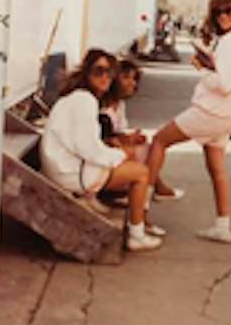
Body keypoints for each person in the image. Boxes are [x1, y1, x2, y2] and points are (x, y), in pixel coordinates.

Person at [146, 0, 231, 244]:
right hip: (227, 115)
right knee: (216, 168)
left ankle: (141, 212)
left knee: (159, 141)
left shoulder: (230, 42)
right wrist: (210, 63)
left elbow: (224, 84)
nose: (223, 16)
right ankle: (223, 226)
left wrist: (201, 69)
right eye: (218, 12)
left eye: (229, 11)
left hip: (210, 111)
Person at [40, 49, 161, 251]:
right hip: (70, 173)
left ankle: (94, 199)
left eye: (109, 73)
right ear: (87, 72)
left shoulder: (79, 97)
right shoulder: (84, 101)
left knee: (127, 156)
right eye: (99, 71)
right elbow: (88, 148)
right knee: (141, 173)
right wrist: (120, 156)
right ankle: (137, 235)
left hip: (64, 167)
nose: (105, 77)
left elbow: (85, 145)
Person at [100, 59, 184, 201]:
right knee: (146, 151)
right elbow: (105, 138)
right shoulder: (103, 109)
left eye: (134, 79)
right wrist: (125, 139)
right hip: (105, 156)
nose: (132, 83)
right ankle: (147, 190)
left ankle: (151, 188)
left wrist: (130, 137)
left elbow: (117, 132)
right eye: (126, 78)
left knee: (146, 147)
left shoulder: (120, 104)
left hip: (114, 149)